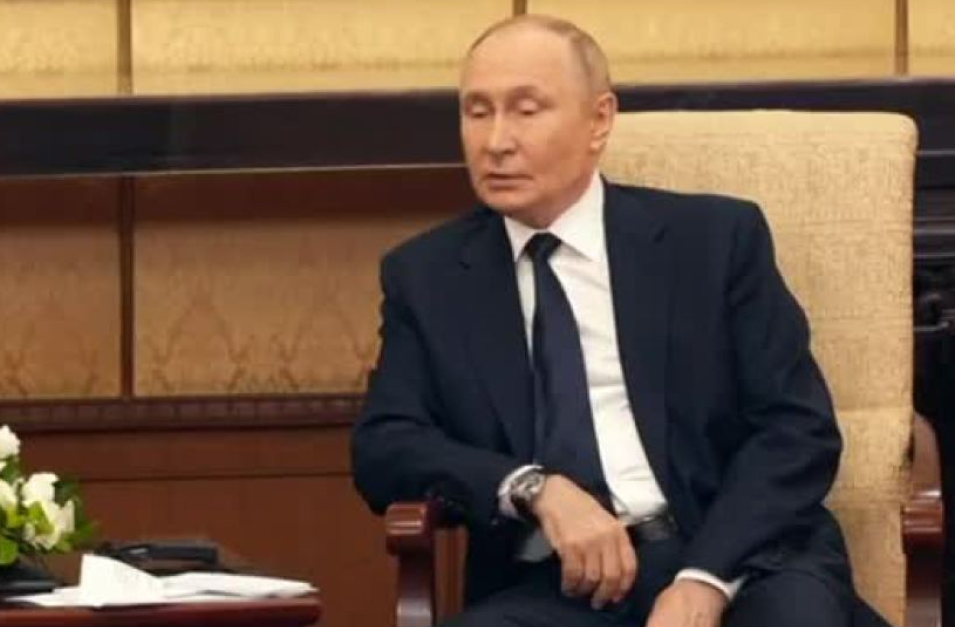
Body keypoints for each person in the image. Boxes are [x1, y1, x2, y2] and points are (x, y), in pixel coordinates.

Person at [352, 14, 889, 627]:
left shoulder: (712, 242)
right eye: (477, 112)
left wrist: (703, 581)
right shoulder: (430, 276)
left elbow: (797, 430)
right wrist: (532, 487)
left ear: (599, 120)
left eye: (526, 110)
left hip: (744, 562)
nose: (496, 141)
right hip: (557, 585)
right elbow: (385, 446)